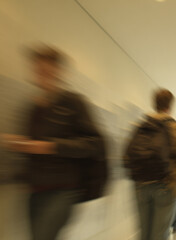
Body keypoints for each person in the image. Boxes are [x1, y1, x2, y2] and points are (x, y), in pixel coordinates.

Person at [1, 45, 106, 240]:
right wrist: (19, 145)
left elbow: (94, 144)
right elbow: (31, 148)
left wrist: (51, 146)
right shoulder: (32, 108)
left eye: (47, 69)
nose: (42, 74)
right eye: (38, 69)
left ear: (59, 71)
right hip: (35, 189)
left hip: (63, 189)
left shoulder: (73, 102)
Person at [123, 88, 176, 240]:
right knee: (160, 233)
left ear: (154, 103)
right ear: (170, 106)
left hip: (140, 185)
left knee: (144, 232)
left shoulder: (140, 126)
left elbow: (126, 155)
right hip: (166, 186)